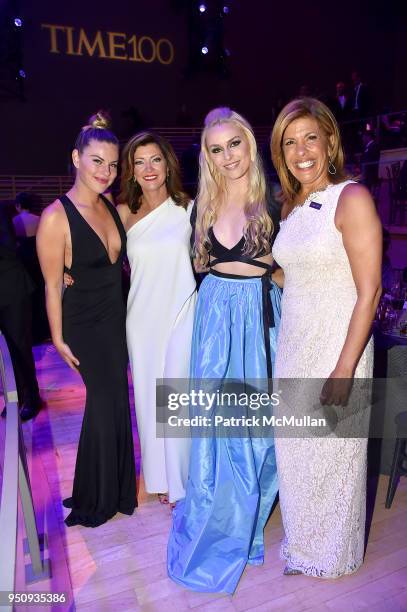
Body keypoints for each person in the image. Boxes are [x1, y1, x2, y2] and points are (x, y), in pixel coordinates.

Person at [167, 107, 282, 593]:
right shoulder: (203, 206)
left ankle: (248, 526)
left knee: (257, 433)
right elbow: (199, 264)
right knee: (217, 430)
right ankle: (220, 521)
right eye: (216, 149)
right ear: (207, 157)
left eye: (234, 144)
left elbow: (289, 264)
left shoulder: (276, 197)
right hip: (215, 324)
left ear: (249, 144)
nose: (227, 156)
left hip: (258, 320)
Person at [270, 97, 382, 577]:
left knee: (334, 456)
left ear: (330, 140)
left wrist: (344, 368)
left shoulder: (351, 197)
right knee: (297, 450)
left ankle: (332, 556)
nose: (301, 151)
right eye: (289, 142)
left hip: (339, 345)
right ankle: (303, 544)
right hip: (295, 341)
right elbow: (293, 275)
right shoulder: (292, 205)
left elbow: (370, 290)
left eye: (310, 137)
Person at [36, 112, 137, 527]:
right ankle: (97, 499)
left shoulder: (109, 205)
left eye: (112, 164)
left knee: (111, 403)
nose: (106, 172)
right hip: (85, 325)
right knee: (105, 400)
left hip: (116, 321)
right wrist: (57, 337)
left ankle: (105, 488)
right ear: (76, 157)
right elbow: (51, 284)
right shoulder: (55, 217)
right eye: (97, 161)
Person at [117, 131, 196, 505]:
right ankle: (160, 478)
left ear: (168, 164)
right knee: (150, 399)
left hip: (182, 311)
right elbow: (99, 259)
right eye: (139, 162)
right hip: (142, 318)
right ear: (131, 171)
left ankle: (181, 480)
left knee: (177, 396)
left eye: (155, 160)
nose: (149, 169)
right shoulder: (122, 214)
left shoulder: (190, 209)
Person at [0, 200, 42, 421]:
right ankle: (12, 397)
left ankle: (31, 398)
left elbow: (8, 248)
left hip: (11, 290)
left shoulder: (1, 210)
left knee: (19, 347)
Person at [13, 192, 49, 343]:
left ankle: (32, 334)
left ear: (18, 206)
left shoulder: (15, 220)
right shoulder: (39, 219)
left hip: (23, 261)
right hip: (38, 258)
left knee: (28, 298)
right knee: (41, 295)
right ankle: (44, 332)